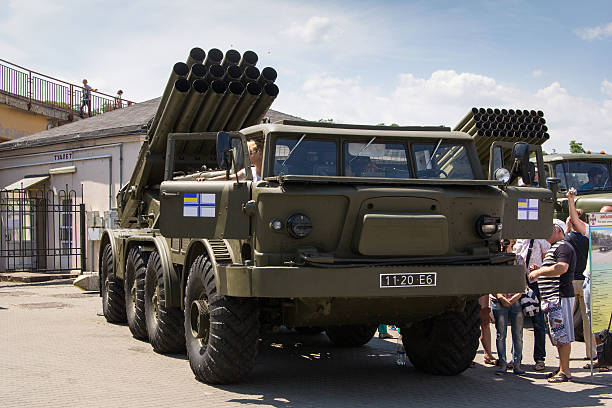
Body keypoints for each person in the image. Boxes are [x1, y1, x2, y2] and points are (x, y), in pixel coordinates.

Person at [567, 192, 612, 372]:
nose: (600, 218)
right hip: (589, 281)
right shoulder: (596, 232)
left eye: (605, 215)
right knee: (595, 323)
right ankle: (601, 359)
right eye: (599, 215)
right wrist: (571, 201)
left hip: (605, 282)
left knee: (604, 325)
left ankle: (606, 359)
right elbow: (576, 222)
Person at [528, 219, 576, 383]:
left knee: (562, 336)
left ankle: (566, 371)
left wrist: (539, 272)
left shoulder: (563, 246)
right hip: (552, 299)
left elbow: (562, 267)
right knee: (558, 335)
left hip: (559, 297)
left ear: (558, 230)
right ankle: (562, 368)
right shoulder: (555, 247)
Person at [513, 237, 551, 371]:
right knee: (517, 321)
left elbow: (547, 262)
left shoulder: (541, 241)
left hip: (536, 284)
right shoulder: (519, 240)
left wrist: (539, 269)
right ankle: (516, 357)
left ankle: (540, 358)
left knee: (538, 322)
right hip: (520, 282)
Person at [492, 239, 525, 375]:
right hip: (499, 301)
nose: (504, 242)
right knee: (501, 334)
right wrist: (500, 297)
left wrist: (516, 296)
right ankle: (503, 363)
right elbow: (490, 281)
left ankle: (517, 364)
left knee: (517, 334)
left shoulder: (518, 259)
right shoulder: (495, 258)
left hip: (515, 300)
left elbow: (523, 280)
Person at [198, 139, 263, 181]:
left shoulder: (272, 172)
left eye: (251, 153)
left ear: (260, 153)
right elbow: (230, 177)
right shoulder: (249, 171)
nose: (247, 156)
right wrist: (208, 180)